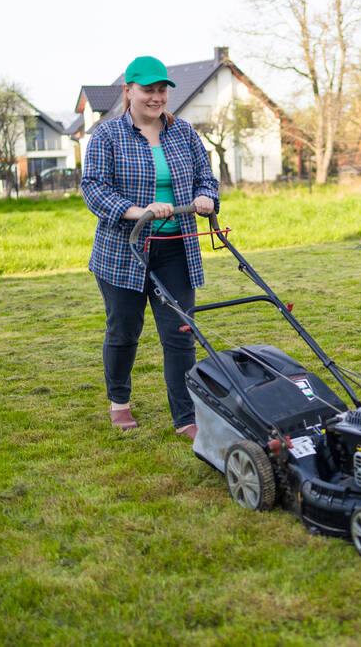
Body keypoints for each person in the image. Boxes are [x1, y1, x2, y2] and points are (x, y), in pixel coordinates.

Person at [82, 55, 219, 437]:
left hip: (176, 246)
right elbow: (93, 188)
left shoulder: (184, 133)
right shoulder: (106, 136)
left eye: (162, 91)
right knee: (124, 330)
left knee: (180, 332)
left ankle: (185, 416)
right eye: (148, 90)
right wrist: (136, 210)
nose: (156, 98)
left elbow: (206, 177)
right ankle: (119, 402)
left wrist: (206, 197)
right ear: (129, 91)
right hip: (124, 251)